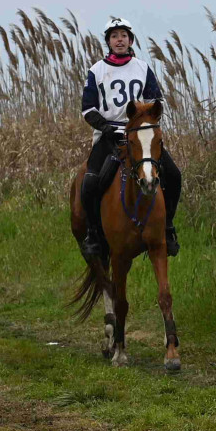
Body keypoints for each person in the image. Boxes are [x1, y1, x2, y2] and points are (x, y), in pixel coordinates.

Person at [77, 15, 183, 261]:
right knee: (90, 181)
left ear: (131, 39)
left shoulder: (142, 68)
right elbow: (88, 108)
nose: (119, 40)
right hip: (109, 135)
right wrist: (106, 128)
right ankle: (93, 234)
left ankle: (167, 229)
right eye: (114, 36)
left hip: (139, 135)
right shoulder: (97, 71)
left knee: (174, 175)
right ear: (108, 42)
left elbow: (156, 101)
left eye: (124, 35)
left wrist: (144, 124)